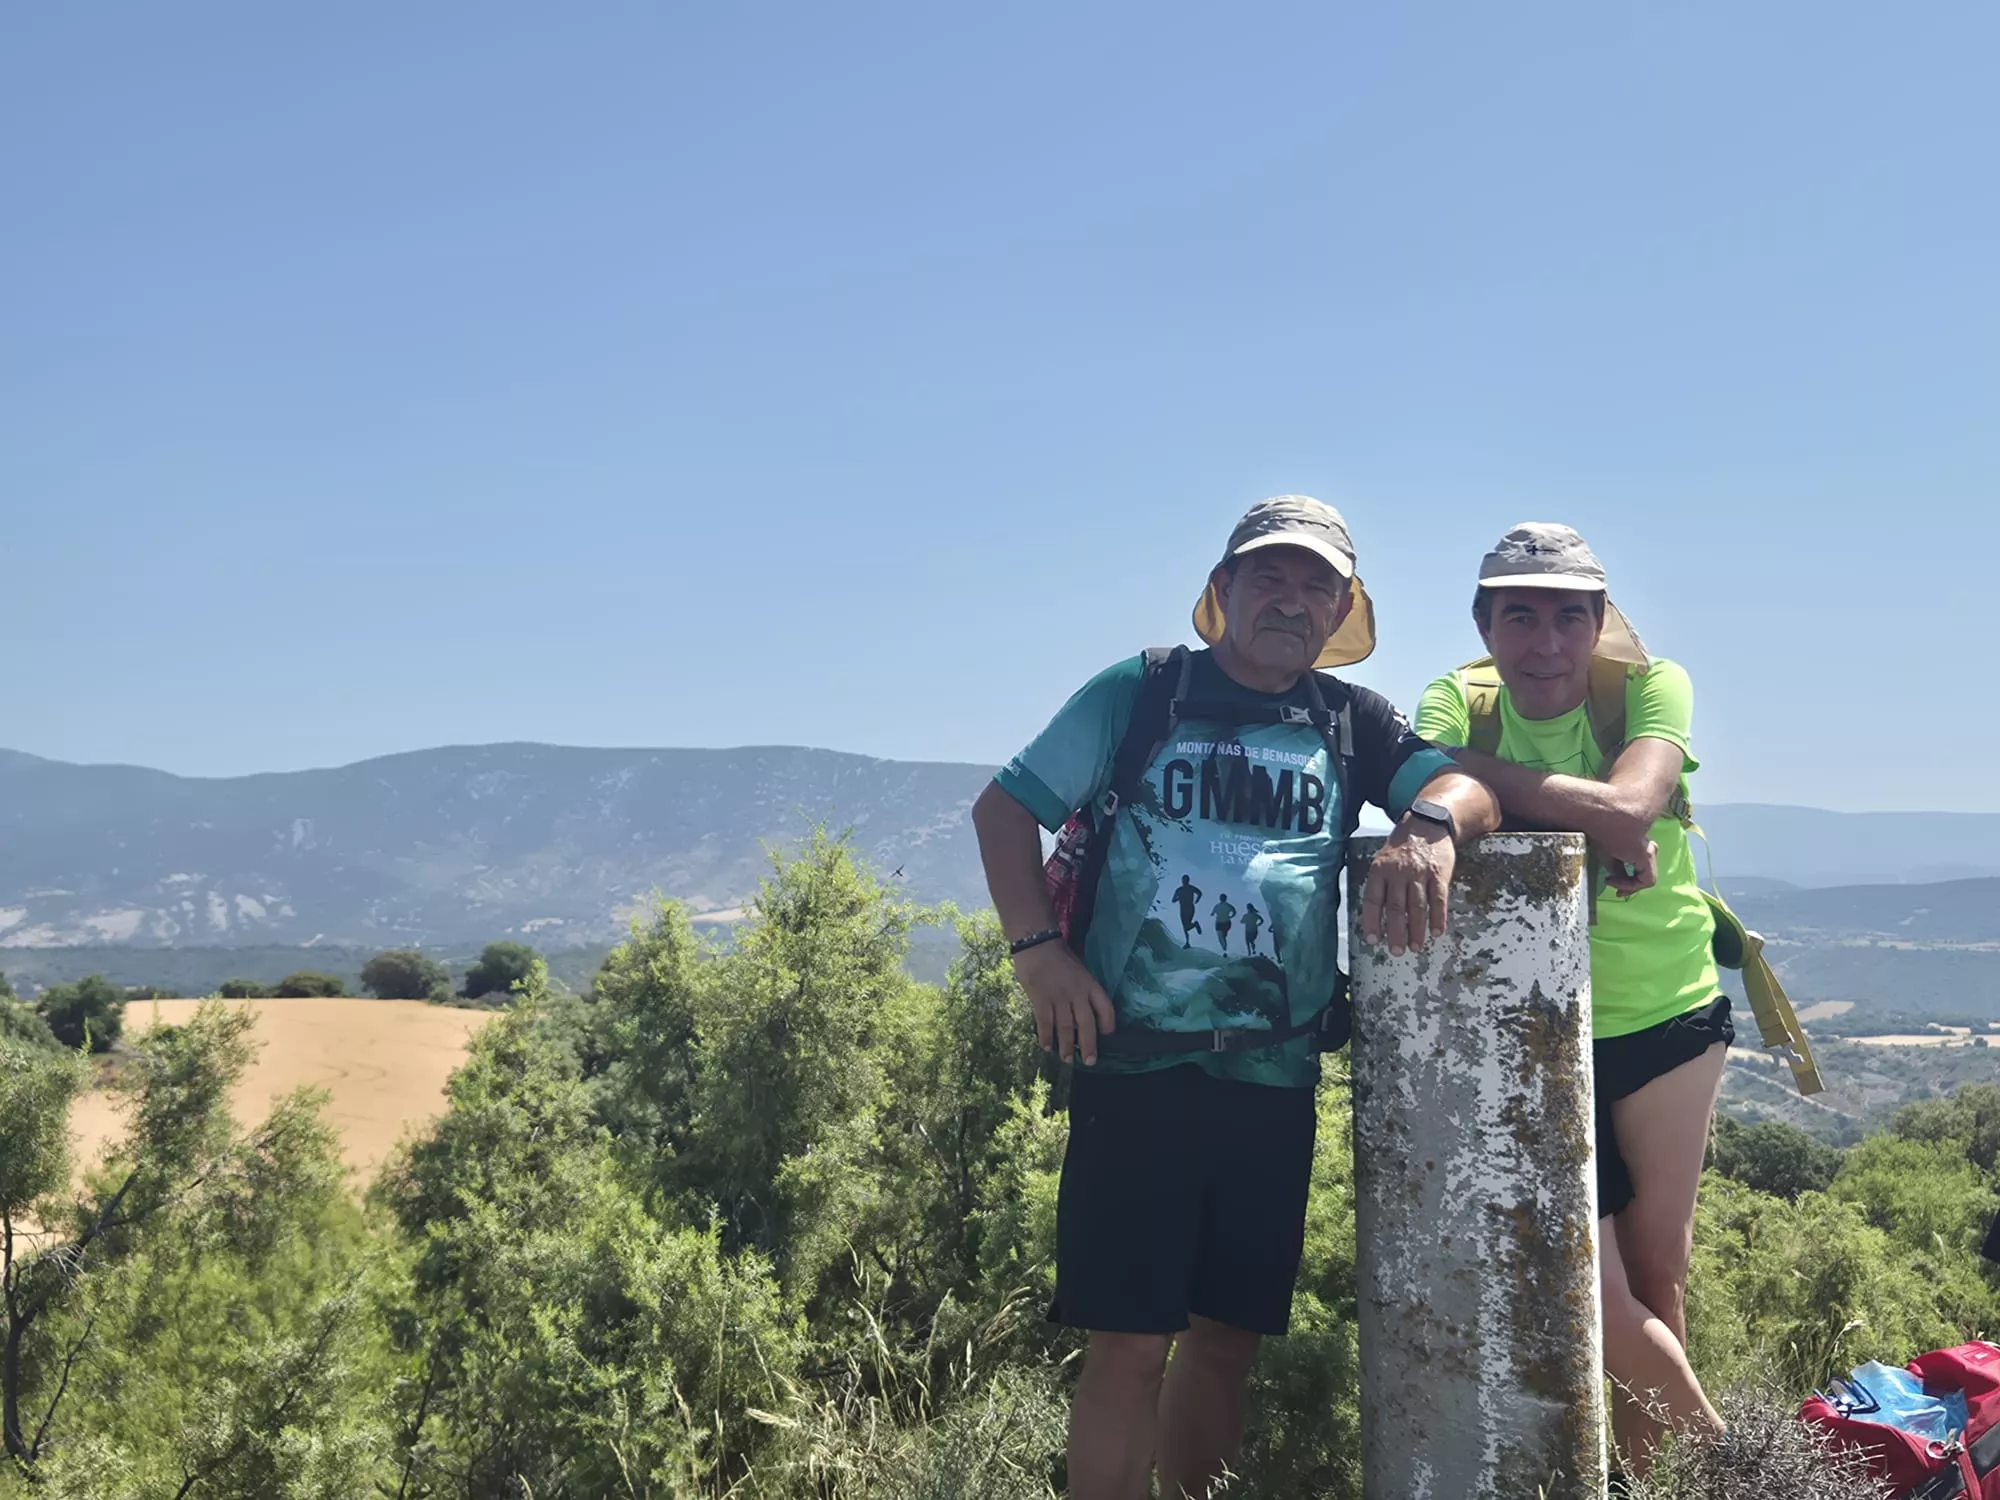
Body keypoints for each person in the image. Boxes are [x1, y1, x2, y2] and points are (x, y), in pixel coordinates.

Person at [972, 494, 1502, 1500]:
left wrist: (1426, 822)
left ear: (1339, 608)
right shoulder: (1140, 693)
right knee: (1129, 1346)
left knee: (1225, 1342)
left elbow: (1466, 787)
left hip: (1271, 1078)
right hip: (1135, 1069)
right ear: (1221, 592)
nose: (1291, 602)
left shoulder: (1351, 723)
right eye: (1269, 576)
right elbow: (1004, 808)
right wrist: (1036, 952)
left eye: (1316, 586)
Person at [1414, 522, 1730, 1481]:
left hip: (1668, 1011)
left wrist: (1488, 791)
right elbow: (1423, 782)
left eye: (1567, 616)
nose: (1545, 642)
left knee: (1657, 1278)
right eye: (1520, 616)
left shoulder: (1649, 684)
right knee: (1586, 1286)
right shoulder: (1451, 702)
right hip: (1533, 1027)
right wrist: (1582, 805)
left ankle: (1646, 1480)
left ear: (1600, 622)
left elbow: (1632, 807)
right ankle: (1738, 1471)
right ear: (1484, 622)